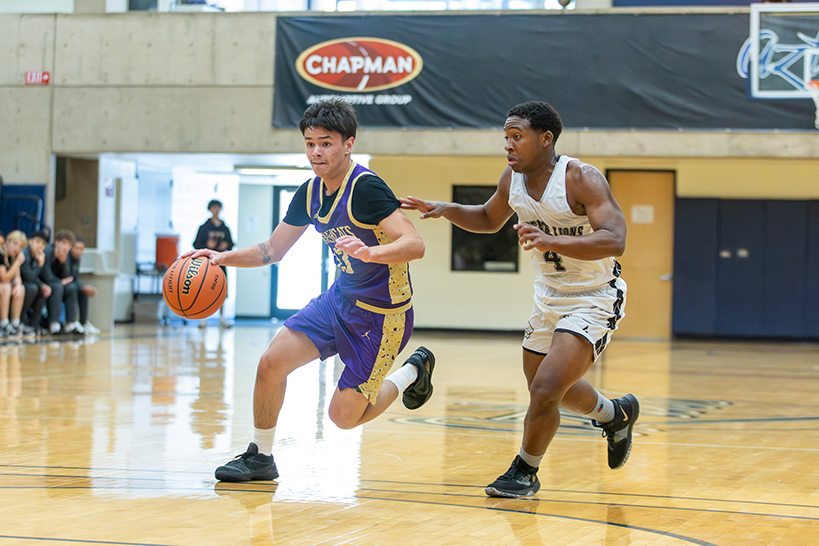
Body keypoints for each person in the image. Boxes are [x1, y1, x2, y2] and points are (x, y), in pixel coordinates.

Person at [185, 99, 434, 483]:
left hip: (383, 315)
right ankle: (261, 457)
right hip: (339, 300)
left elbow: (414, 243)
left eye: (326, 143)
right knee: (271, 363)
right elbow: (272, 250)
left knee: (343, 417)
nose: (316, 152)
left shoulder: (366, 188)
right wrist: (221, 258)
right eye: (310, 143)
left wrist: (372, 251)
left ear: (348, 144)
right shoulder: (310, 192)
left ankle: (412, 371)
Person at [400, 101, 639, 499]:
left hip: (594, 296)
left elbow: (616, 239)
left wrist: (552, 240)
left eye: (517, 137)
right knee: (544, 389)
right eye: (506, 138)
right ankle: (614, 415)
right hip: (548, 297)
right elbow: (488, 219)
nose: (508, 146)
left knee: (546, 390)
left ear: (545, 139)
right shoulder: (512, 179)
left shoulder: (581, 177)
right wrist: (446, 209)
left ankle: (525, 471)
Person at [193, 199, 235, 328]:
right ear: (210, 209)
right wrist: (207, 246)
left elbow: (231, 243)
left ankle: (222, 317)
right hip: (206, 264)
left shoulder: (225, 227)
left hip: (221, 262)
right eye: (214, 207)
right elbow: (195, 244)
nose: (216, 209)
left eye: (218, 207)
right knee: (204, 289)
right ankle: (203, 317)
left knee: (222, 290)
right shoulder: (204, 227)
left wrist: (226, 244)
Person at [40, 229, 84, 335]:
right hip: (42, 283)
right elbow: (45, 275)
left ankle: (70, 323)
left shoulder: (66, 256)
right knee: (58, 286)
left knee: (71, 288)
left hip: (56, 284)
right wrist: (60, 281)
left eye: (69, 245)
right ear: (56, 242)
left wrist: (63, 263)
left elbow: (68, 277)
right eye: (63, 243)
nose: (66, 247)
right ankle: (53, 323)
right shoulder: (47, 252)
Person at [0, 230, 36, 340]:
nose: (17, 248)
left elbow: (17, 277)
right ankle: (4, 324)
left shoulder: (14, 256)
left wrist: (17, 285)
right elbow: (4, 278)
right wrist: (17, 263)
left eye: (20, 247)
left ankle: (15, 323)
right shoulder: (2, 255)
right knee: (5, 287)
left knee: (20, 289)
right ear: (7, 242)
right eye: (15, 244)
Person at [67, 238, 101, 334]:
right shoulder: (66, 258)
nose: (79, 251)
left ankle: (83, 322)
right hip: (63, 285)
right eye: (77, 248)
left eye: (82, 249)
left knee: (83, 292)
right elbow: (68, 278)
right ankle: (70, 322)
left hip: (71, 284)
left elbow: (75, 278)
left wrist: (83, 287)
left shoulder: (77, 260)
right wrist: (82, 287)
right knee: (73, 288)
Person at [20, 229, 51, 333]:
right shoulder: (24, 253)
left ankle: (34, 324)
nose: (40, 246)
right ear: (30, 241)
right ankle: (21, 321)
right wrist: (40, 265)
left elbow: (35, 278)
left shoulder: (38, 256)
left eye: (43, 244)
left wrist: (42, 285)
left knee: (44, 290)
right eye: (37, 242)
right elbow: (28, 277)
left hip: (27, 285)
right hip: (19, 285)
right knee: (32, 288)